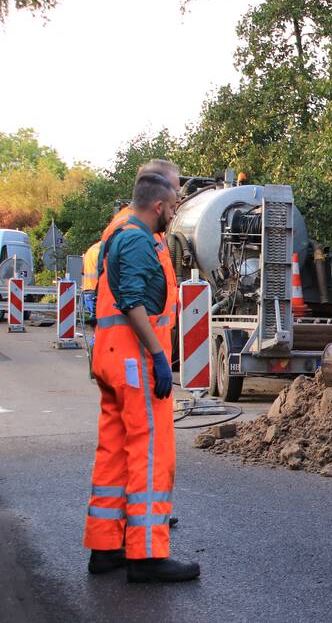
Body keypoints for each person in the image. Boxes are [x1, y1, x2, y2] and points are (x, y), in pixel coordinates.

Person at [82, 172, 199, 583]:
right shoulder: (135, 238)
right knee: (151, 454)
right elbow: (133, 300)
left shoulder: (121, 232)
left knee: (114, 451)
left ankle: (106, 547)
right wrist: (158, 356)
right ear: (157, 205)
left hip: (114, 357)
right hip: (135, 361)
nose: (173, 213)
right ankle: (147, 555)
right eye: (172, 206)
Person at [81, 240, 102, 322]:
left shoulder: (90, 250)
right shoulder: (103, 251)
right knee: (100, 323)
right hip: (97, 291)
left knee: (95, 321)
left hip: (87, 290)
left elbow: (83, 271)